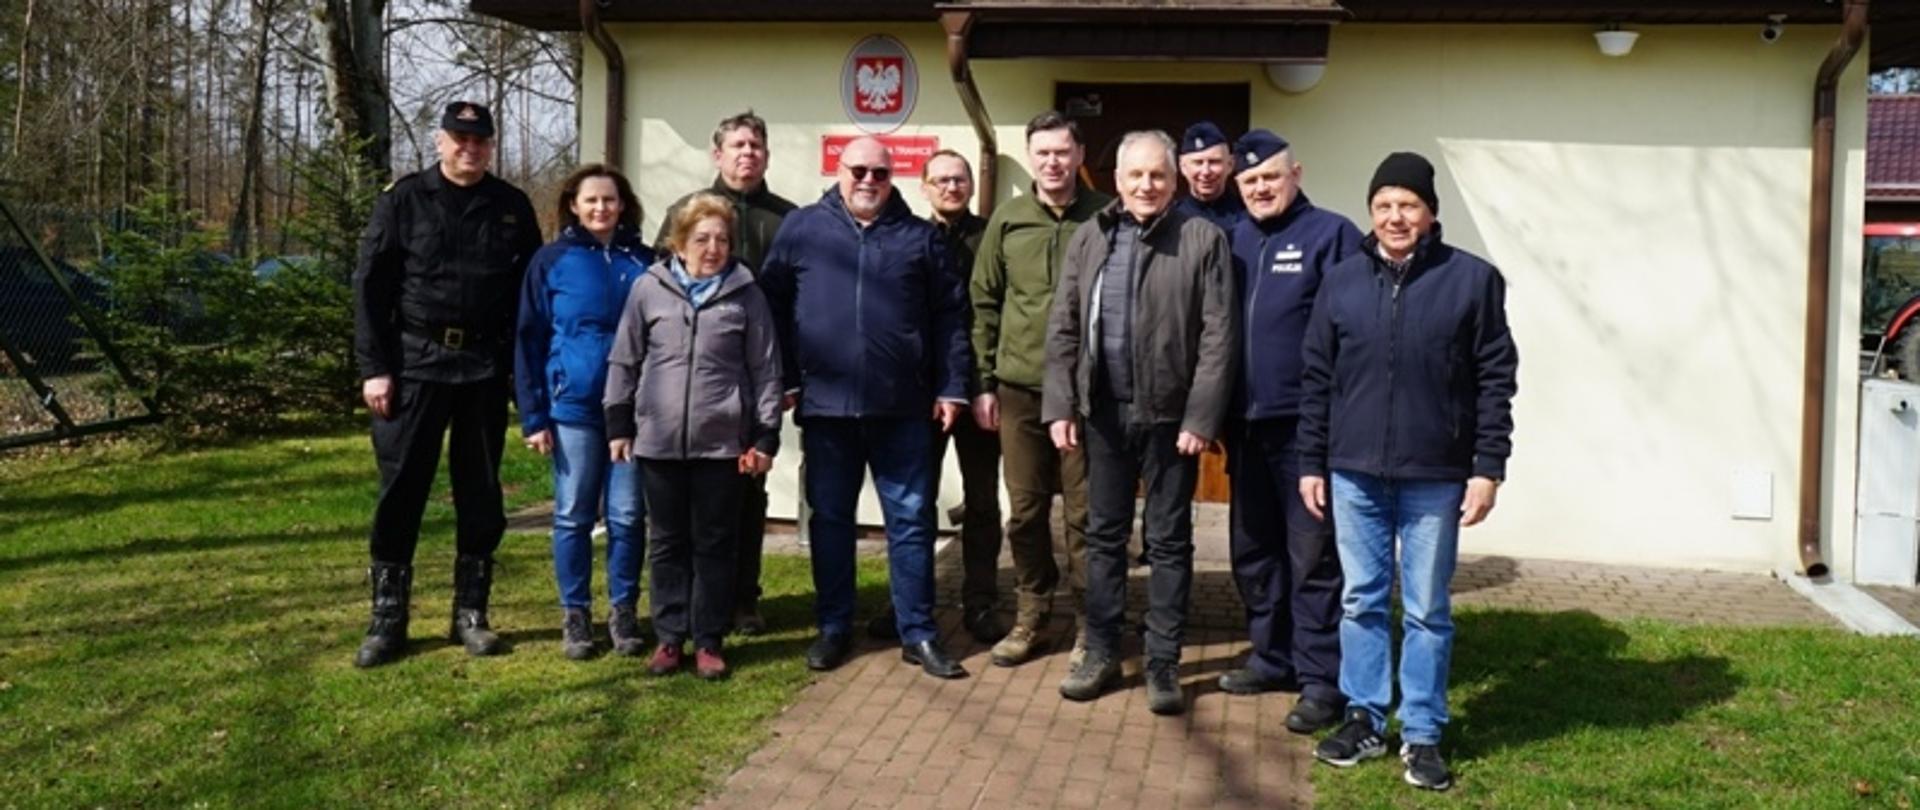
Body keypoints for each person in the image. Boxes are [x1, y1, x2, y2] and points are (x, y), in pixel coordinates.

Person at [1299, 152, 1519, 791]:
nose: (1395, 217)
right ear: (1370, 212)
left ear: (1431, 212)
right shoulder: (1340, 281)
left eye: (1408, 205)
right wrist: (1311, 462)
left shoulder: (1473, 281)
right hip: (1354, 473)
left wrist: (1487, 468)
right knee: (1361, 600)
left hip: (1435, 474)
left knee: (1427, 608)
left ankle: (1422, 732)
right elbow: (1317, 379)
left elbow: (1495, 380)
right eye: (1384, 205)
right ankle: (1365, 716)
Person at [760, 136, 972, 680]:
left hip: (903, 409)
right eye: (858, 170)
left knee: (911, 520)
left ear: (892, 176)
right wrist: (786, 376)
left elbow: (952, 318)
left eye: (880, 173)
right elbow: (771, 307)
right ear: (839, 169)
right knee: (831, 520)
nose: (868, 181)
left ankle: (917, 631)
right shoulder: (802, 229)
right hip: (826, 408)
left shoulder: (920, 239)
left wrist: (951, 387)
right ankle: (834, 627)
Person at [1044, 130, 1237, 715]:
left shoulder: (1202, 239)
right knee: (1104, 536)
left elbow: (1219, 335)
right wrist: (1060, 404)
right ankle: (1101, 651)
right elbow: (1064, 324)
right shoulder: (1091, 236)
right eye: (1137, 175)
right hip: (1102, 414)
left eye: (1158, 175)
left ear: (1174, 181)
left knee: (1169, 541)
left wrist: (1201, 416)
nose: (1147, 185)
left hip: (1171, 420)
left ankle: (1162, 662)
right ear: (1117, 180)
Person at [350, 101, 541, 668]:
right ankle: (388, 619)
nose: (469, 149)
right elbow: (370, 288)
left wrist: (522, 371)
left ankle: (471, 614)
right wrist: (374, 368)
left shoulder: (510, 207)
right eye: (460, 139)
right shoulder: (404, 200)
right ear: (440, 142)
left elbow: (530, 295)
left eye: (479, 141)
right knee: (401, 489)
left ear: (491, 146)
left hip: (483, 366)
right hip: (415, 364)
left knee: (480, 490)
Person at [1216, 131, 1361, 735]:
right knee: (1255, 551)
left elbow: (1353, 332)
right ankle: (1271, 657)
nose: (1260, 188)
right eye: (1249, 181)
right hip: (1245, 428)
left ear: (1296, 174)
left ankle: (1321, 679)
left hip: (1306, 429)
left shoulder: (1333, 235)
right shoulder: (1234, 238)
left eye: (1270, 177)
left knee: (1312, 556)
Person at [605, 193, 784, 681]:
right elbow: (624, 359)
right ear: (680, 243)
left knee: (714, 544)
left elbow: (766, 369)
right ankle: (669, 637)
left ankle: (708, 640)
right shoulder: (649, 288)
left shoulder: (747, 294)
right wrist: (618, 422)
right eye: (702, 239)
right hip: (659, 442)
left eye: (722, 239)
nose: (713, 248)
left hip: (722, 444)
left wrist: (766, 435)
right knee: (666, 543)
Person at [970, 111, 1111, 668]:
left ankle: (1090, 623)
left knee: (1085, 516)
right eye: (1042, 153)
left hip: (1085, 395)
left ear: (1079, 156)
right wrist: (983, 382)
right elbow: (983, 303)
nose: (1052, 162)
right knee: (1026, 514)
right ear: (1030, 157)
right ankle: (1033, 614)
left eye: (1062, 152)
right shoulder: (1007, 221)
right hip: (1020, 391)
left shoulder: (1106, 216)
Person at [656, 110, 797, 636]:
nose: (747, 154)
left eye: (755, 145)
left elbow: (797, 305)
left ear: (767, 155)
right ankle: (692, 604)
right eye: (738, 145)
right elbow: (662, 291)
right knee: (692, 502)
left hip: (758, 376)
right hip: (695, 380)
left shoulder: (789, 220)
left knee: (748, 492)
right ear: (718, 154)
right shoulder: (686, 212)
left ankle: (743, 599)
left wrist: (789, 377)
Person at [514, 164, 652, 661]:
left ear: (623, 204)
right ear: (573, 204)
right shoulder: (552, 261)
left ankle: (623, 610)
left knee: (627, 515)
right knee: (572, 514)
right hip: (572, 407)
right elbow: (529, 338)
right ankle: (575, 614)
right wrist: (533, 415)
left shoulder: (644, 261)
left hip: (632, 410)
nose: (600, 208)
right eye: (591, 200)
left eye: (609, 199)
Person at [875, 148, 1006, 645]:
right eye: (942, 180)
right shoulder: (908, 237)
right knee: (914, 502)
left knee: (982, 501)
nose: (952, 187)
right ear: (925, 186)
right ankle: (908, 602)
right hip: (920, 393)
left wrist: (985, 383)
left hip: (979, 388)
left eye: (960, 179)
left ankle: (981, 602)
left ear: (970, 185)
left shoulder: (991, 236)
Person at [1174, 120, 1244, 233]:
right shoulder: (1171, 219)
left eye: (1214, 162)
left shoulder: (1247, 216)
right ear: (1183, 167)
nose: (1206, 172)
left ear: (1230, 165)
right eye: (1198, 162)